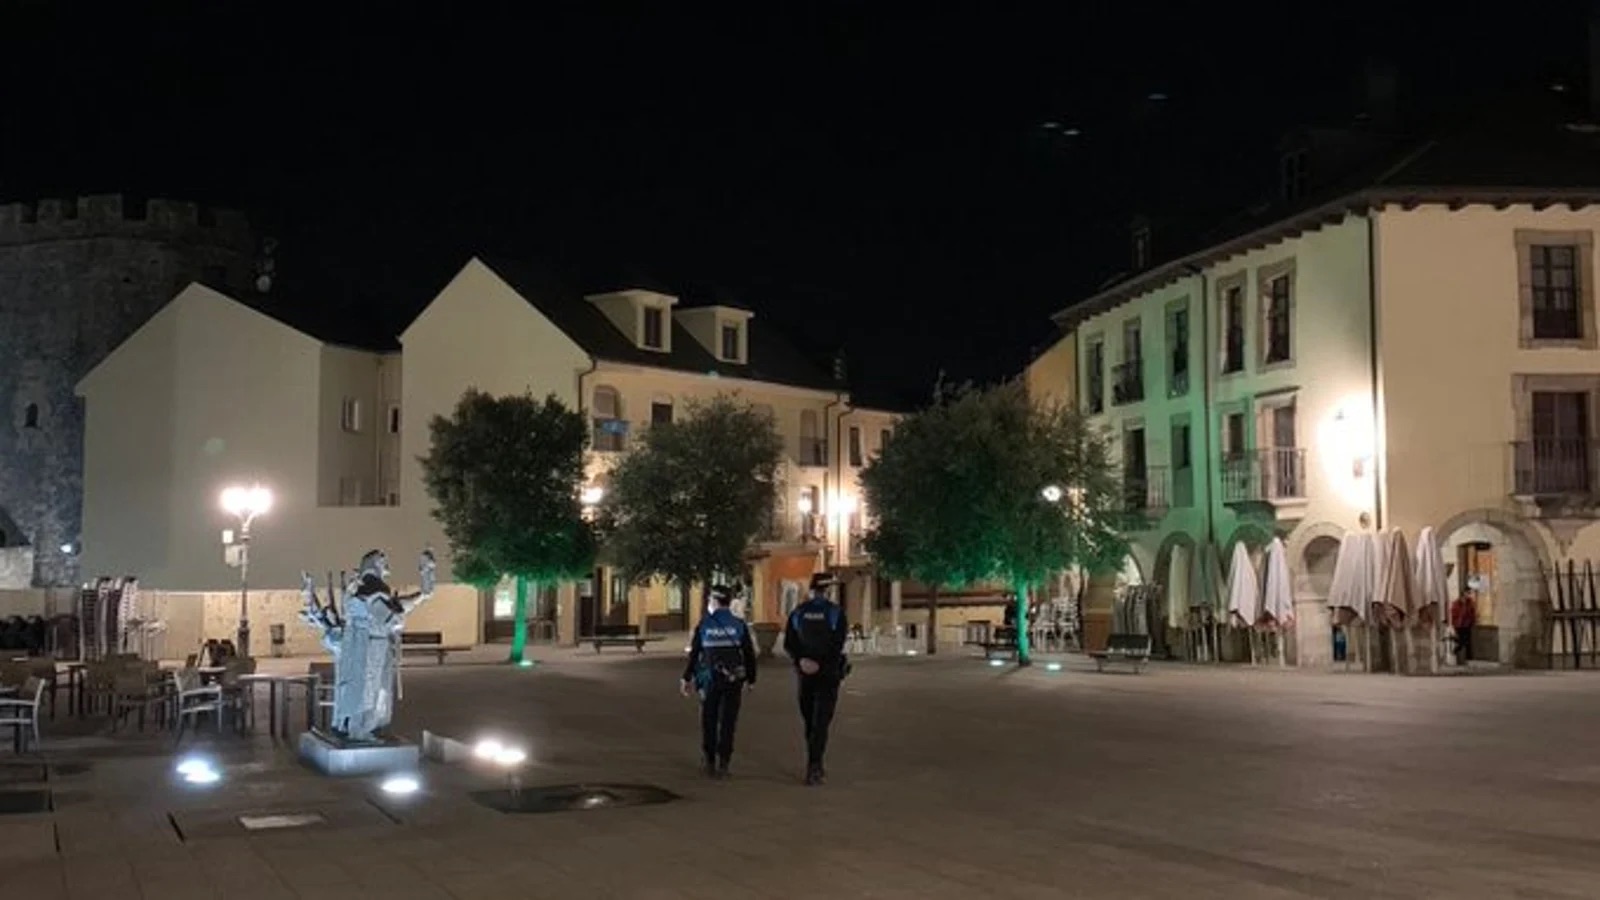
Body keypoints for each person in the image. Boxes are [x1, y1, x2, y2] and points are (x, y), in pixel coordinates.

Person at [680, 584, 757, 779]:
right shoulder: (739, 625)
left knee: (709, 719)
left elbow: (695, 653)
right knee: (728, 720)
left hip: (709, 680)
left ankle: (709, 760)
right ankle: (724, 762)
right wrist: (751, 679)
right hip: (733, 680)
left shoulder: (705, 624)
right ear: (729, 602)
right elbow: (749, 654)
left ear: (714, 601)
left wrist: (686, 677)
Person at [784, 572, 849, 786]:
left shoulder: (798, 613)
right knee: (821, 721)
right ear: (828, 590)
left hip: (805, 675)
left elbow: (789, 643)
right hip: (828, 675)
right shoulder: (836, 613)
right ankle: (815, 764)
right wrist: (821, 664)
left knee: (810, 720)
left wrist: (802, 660)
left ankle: (814, 761)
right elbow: (837, 645)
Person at [1450, 588, 1476, 666]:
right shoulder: (1457, 603)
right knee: (1461, 641)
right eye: (1467, 593)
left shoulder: (1470, 602)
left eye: (1469, 593)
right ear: (1463, 593)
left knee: (1467, 641)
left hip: (1467, 624)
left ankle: (1466, 658)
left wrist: (1472, 621)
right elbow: (1454, 614)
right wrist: (1454, 623)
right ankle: (1456, 653)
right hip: (1459, 625)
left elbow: (1472, 613)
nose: (1469, 595)